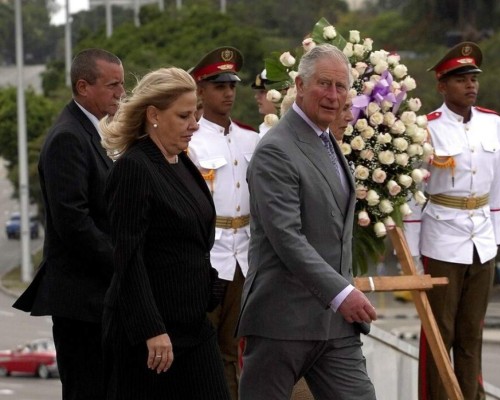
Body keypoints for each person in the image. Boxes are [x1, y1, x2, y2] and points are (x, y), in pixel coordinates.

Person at [237, 43, 377, 400]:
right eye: (324, 84)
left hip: (335, 327)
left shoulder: (328, 143)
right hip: (282, 323)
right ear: (299, 85)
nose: (333, 96)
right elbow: (287, 238)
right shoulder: (275, 149)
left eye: (341, 87)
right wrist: (342, 293)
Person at [99, 67, 231, 399]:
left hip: (193, 327)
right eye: (184, 115)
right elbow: (128, 258)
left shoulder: (179, 162)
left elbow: (193, 240)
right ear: (154, 115)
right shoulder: (135, 168)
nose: (195, 124)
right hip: (154, 340)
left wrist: (210, 285)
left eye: (196, 114)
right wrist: (151, 329)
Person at [12, 48, 124, 400]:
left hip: (99, 295)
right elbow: (73, 222)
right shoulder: (68, 137)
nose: (121, 93)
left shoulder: (98, 131)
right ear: (83, 87)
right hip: (82, 299)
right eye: (113, 85)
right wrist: (124, 262)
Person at [403, 42, 500, 400]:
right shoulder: (426, 128)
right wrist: (414, 257)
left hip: (482, 242)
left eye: (473, 78)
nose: (470, 86)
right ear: (442, 86)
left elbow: (498, 188)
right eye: (460, 79)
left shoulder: (495, 123)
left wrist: (497, 239)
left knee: (471, 334)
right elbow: (413, 197)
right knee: (439, 332)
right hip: (442, 240)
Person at [187, 46, 259, 400]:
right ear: (200, 90)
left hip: (242, 257)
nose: (228, 93)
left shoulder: (251, 138)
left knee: (232, 351)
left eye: (232, 85)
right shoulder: (189, 139)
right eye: (218, 85)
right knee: (201, 349)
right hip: (207, 257)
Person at [251, 69, 281, 139]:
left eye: (262, 92)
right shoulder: (265, 128)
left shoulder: (291, 129)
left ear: (282, 93)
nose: (256, 96)